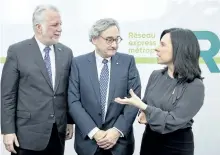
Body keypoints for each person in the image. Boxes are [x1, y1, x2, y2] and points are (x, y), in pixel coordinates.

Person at [115, 28, 205, 155]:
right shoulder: (156, 75)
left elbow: (173, 120)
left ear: (179, 49)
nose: (156, 48)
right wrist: (143, 112)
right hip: (149, 141)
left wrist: (143, 107)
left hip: (176, 146)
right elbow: (147, 107)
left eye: (162, 44)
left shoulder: (195, 85)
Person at [1, 4, 74, 155]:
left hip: (57, 133)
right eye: (54, 25)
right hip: (26, 134)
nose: (59, 29)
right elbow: (7, 95)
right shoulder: (17, 51)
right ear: (39, 27)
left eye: (60, 24)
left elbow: (69, 91)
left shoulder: (66, 52)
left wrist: (69, 121)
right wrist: (8, 131)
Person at [68, 18, 141, 155]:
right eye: (109, 39)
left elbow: (134, 100)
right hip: (88, 144)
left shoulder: (128, 62)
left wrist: (116, 131)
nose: (114, 44)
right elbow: (73, 102)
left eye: (117, 39)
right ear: (94, 39)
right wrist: (94, 132)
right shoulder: (78, 64)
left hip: (119, 144)